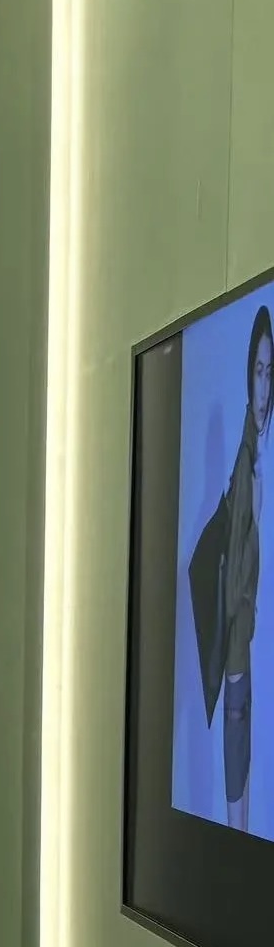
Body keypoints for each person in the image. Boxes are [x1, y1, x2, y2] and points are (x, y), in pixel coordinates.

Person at [219, 304, 273, 830]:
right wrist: (254, 518)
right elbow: (235, 582)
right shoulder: (245, 462)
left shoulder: (253, 453)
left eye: (270, 373)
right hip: (237, 658)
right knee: (238, 822)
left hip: (244, 657)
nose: (264, 388)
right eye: (258, 371)